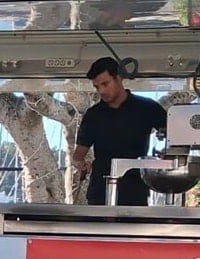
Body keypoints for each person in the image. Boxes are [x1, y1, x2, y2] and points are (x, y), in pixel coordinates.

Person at [72, 57, 168, 206]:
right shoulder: (93, 114)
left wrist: (166, 155)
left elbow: (174, 135)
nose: (101, 91)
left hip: (135, 190)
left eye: (105, 84)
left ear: (118, 78)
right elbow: (79, 155)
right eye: (97, 87)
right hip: (100, 192)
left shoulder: (147, 108)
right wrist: (81, 164)